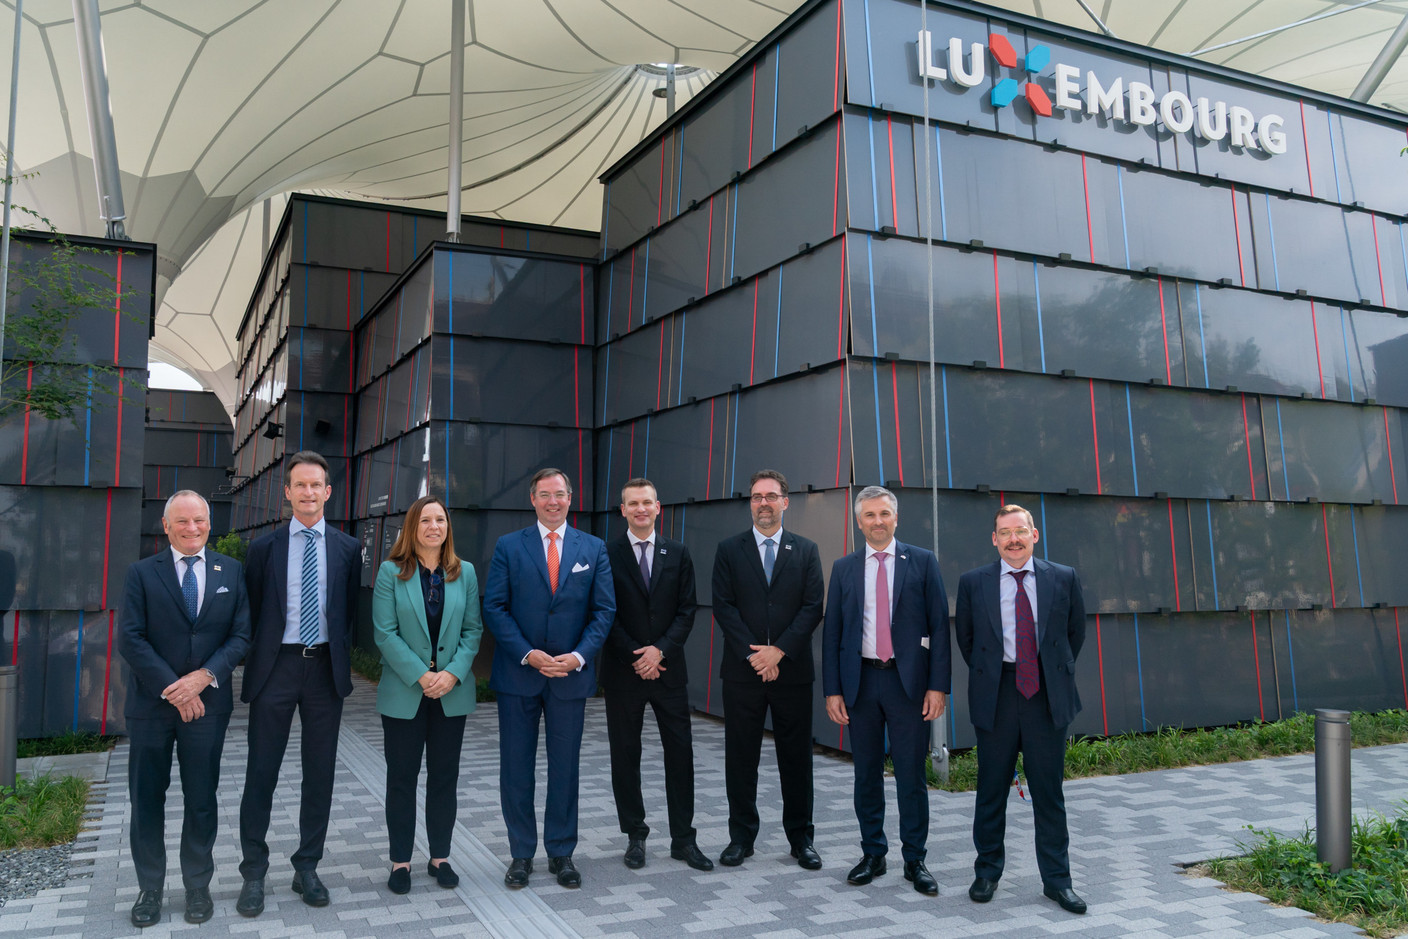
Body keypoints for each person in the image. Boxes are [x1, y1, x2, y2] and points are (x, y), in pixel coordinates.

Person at [236, 451, 361, 916]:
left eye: (316, 485)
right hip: (276, 670)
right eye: (299, 485)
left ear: (328, 492)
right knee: (261, 774)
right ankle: (253, 871)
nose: (308, 493)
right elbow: (251, 610)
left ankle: (307, 865)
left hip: (324, 671)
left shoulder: (348, 549)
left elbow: (345, 615)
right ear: (286, 492)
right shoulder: (264, 548)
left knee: (320, 774)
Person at [118, 491, 251, 927]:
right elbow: (131, 639)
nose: (191, 528)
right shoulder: (141, 573)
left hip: (207, 706)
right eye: (182, 521)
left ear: (210, 523)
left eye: (199, 520)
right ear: (166, 525)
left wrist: (202, 678)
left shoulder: (230, 570)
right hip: (151, 706)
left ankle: (197, 887)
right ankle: (150, 890)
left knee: (201, 799)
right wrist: (175, 688)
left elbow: (240, 636)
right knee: (147, 799)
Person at [483, 468, 615, 889]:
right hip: (520, 675)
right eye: (545, 495)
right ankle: (521, 854)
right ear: (533, 499)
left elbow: (604, 611)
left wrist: (577, 657)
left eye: (559, 494)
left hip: (569, 678)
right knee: (516, 769)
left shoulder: (592, 548)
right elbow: (495, 607)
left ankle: (562, 852)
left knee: (566, 769)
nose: (553, 501)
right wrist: (527, 653)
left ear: (570, 498)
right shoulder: (508, 546)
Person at [954, 504, 1088, 915]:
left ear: (1034, 534)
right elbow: (968, 639)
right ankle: (987, 872)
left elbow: (1073, 634)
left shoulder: (1062, 577)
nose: (1013, 539)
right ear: (994, 539)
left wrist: (1044, 670)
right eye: (1004, 532)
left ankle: (1057, 881)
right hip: (996, 694)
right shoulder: (974, 582)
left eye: (1020, 531)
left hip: (1046, 695)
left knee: (1049, 793)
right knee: (991, 790)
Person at [822, 486, 949, 895]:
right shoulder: (844, 567)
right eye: (870, 515)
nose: (878, 521)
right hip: (860, 683)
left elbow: (940, 628)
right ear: (859, 522)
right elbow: (834, 633)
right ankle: (873, 853)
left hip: (907, 684)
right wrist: (833, 690)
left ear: (896, 518)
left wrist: (938, 686)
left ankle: (915, 860)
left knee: (910, 774)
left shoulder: (923, 562)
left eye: (884, 514)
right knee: (866, 774)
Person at [711, 469, 824, 869]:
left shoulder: (806, 550)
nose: (764, 503)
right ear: (750, 503)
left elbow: (813, 607)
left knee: (796, 759)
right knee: (741, 758)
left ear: (785, 502)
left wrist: (779, 652)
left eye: (771, 496)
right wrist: (756, 655)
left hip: (792, 672)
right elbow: (722, 606)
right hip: (743, 673)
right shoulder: (729, 549)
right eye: (757, 496)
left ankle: (801, 840)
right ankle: (741, 838)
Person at [372, 496, 484, 894]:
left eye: (440, 520)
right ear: (412, 526)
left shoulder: (464, 572)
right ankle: (400, 861)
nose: (433, 526)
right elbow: (384, 633)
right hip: (406, 692)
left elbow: (473, 630)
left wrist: (452, 674)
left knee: (444, 778)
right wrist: (422, 676)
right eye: (425, 520)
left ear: (447, 527)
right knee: (401, 778)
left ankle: (441, 857)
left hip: (451, 694)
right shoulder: (391, 572)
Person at [602, 478, 712, 872]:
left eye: (647, 502)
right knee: (625, 756)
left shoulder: (677, 552)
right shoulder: (607, 553)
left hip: (668, 670)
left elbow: (687, 610)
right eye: (633, 503)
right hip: (623, 671)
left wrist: (659, 650)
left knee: (680, 754)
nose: (641, 509)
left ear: (658, 506)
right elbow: (604, 612)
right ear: (623, 510)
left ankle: (683, 839)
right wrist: (637, 654)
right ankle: (635, 835)